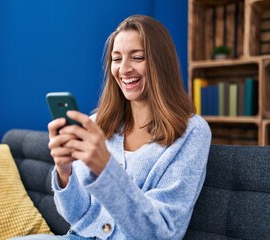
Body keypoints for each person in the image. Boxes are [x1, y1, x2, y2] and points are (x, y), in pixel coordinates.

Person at [13, 14, 211, 240]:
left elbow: (161, 233)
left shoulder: (192, 131)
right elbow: (77, 215)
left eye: (137, 57)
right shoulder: (99, 122)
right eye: (116, 59)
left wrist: (105, 168)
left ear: (160, 63)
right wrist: (64, 172)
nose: (124, 69)